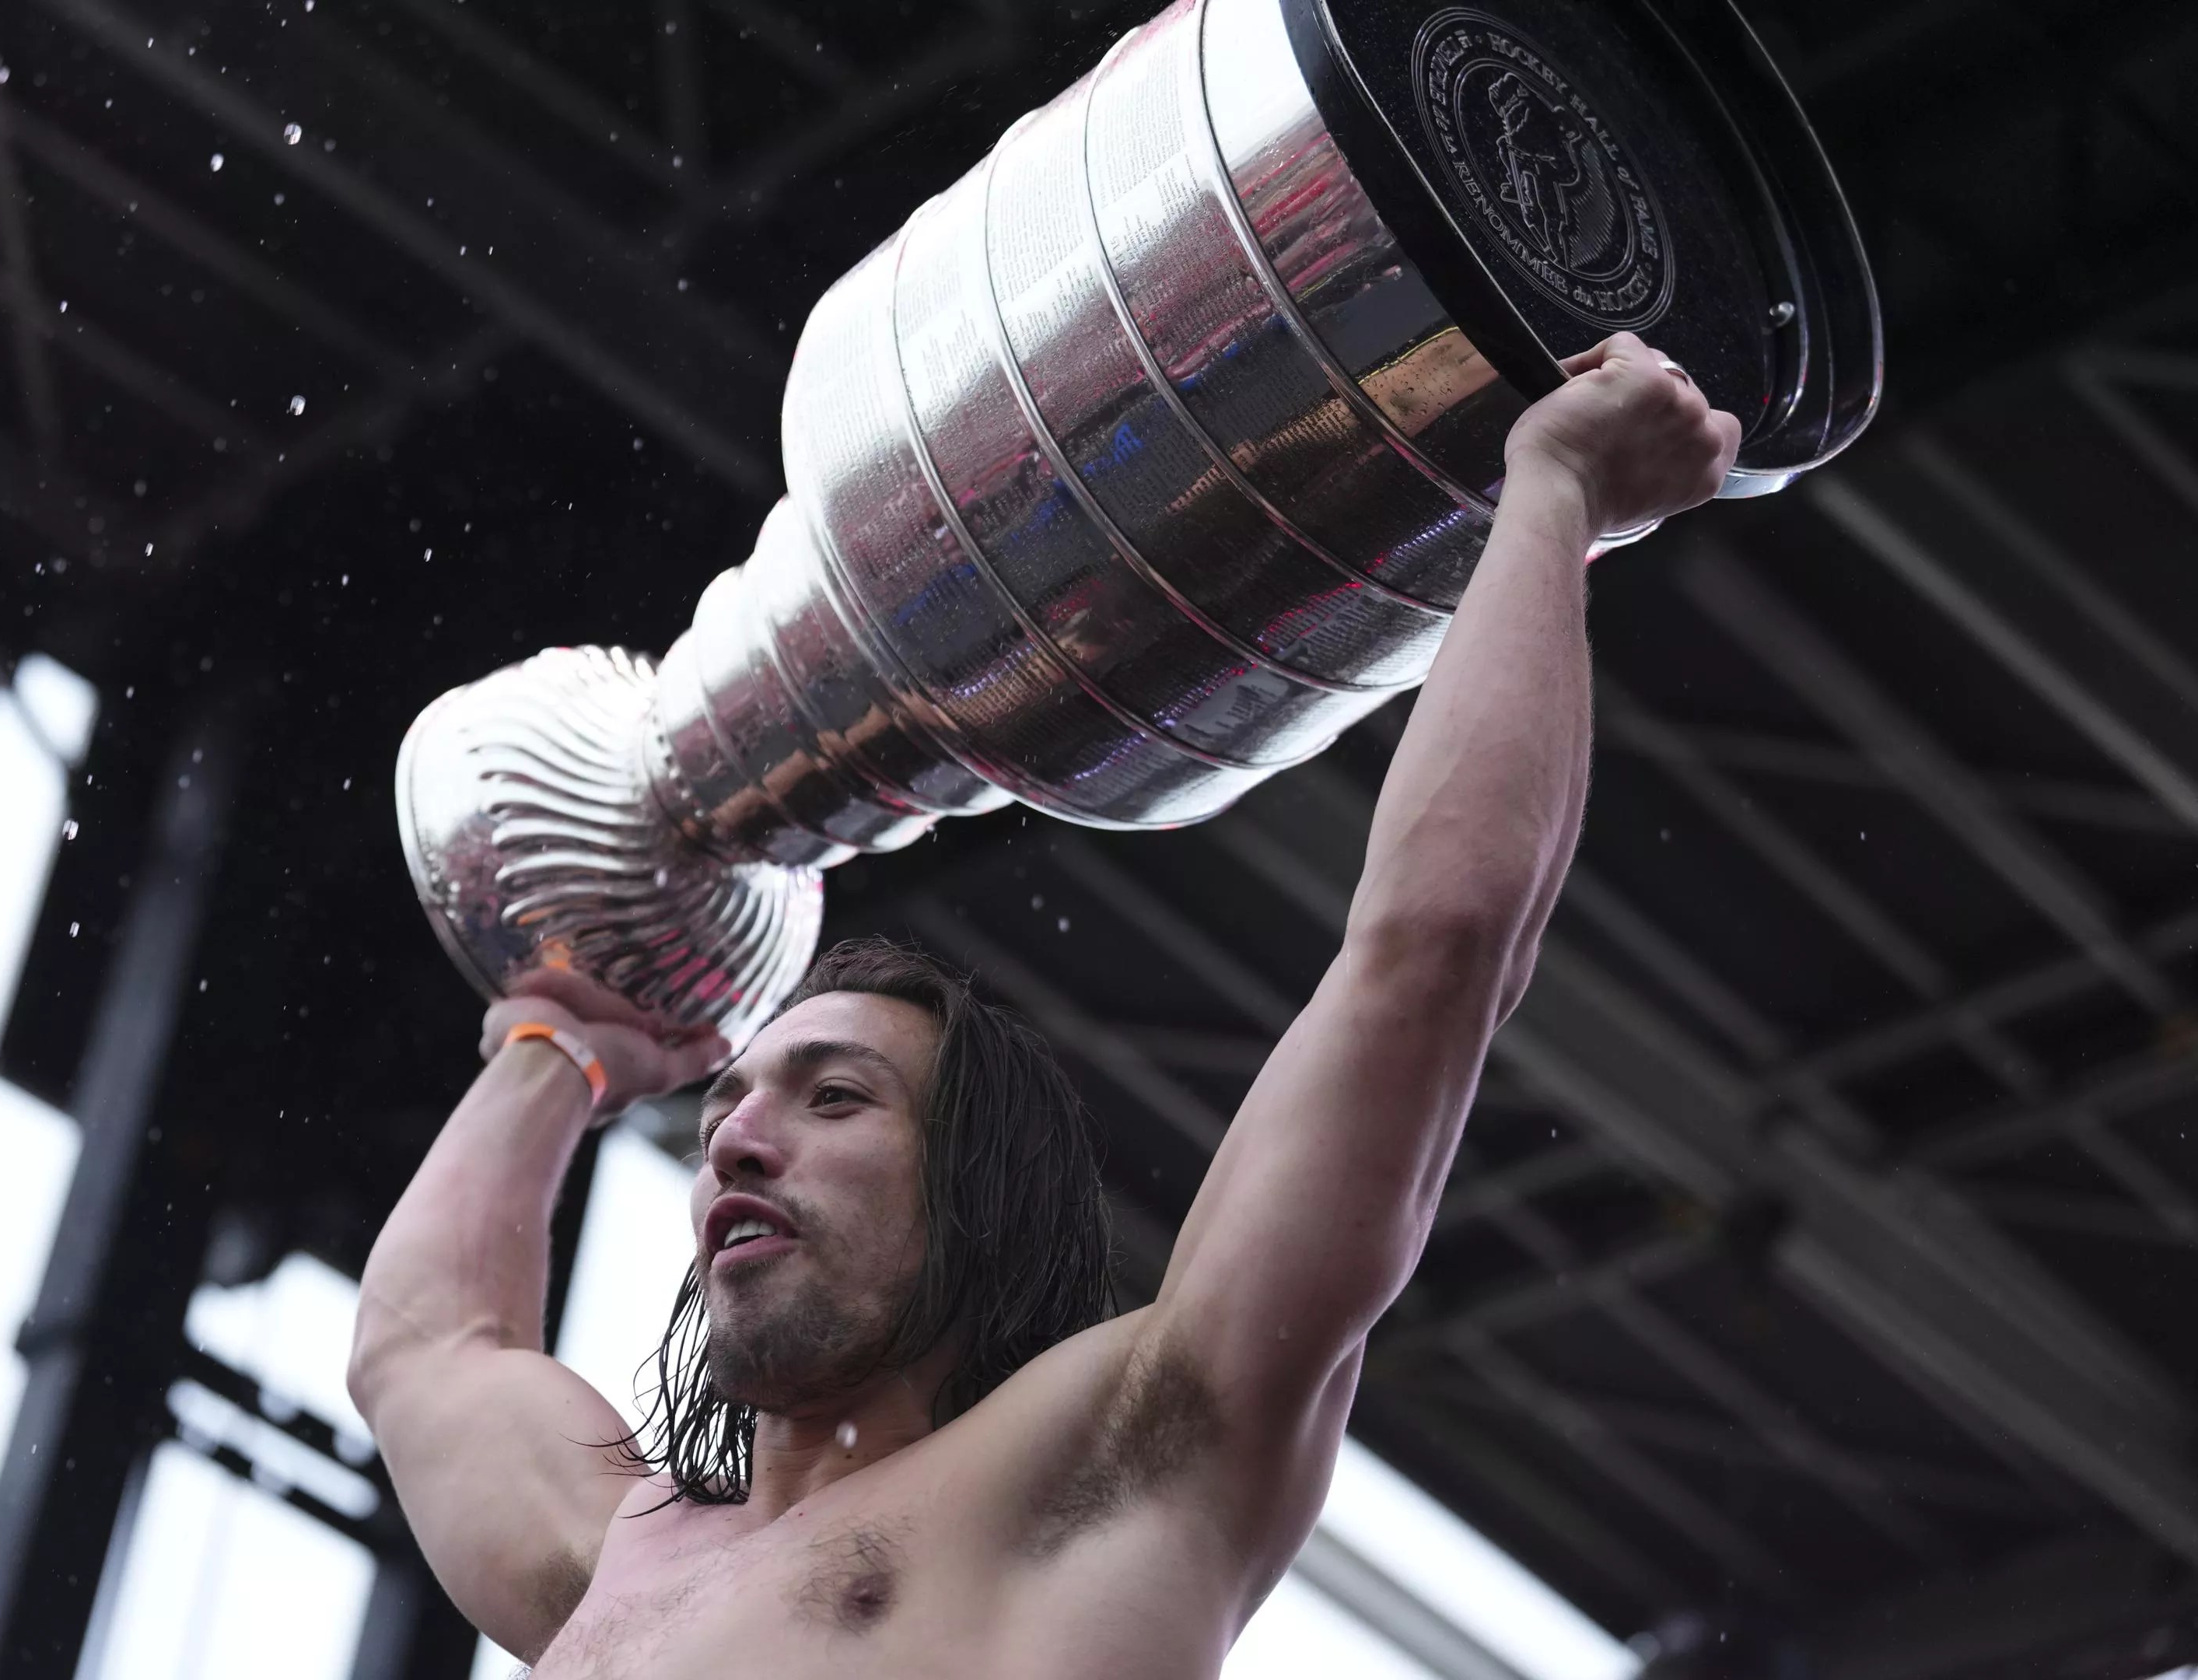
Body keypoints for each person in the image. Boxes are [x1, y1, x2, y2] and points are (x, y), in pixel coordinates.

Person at [347, 333, 1741, 1678]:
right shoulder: (617, 1563)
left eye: (836, 1098)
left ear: (976, 1192)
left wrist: (1554, 494)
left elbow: (1428, 960)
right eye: (723, 1116)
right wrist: (566, 1046)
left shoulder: (1123, 1456)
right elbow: (423, 1350)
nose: (739, 1144)